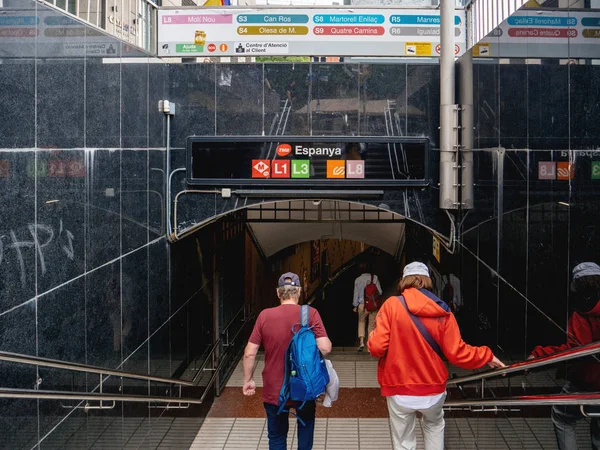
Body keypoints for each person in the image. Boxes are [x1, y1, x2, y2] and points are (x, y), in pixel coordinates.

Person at [368, 262, 505, 450]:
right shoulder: (443, 311)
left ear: (403, 281)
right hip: (433, 390)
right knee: (434, 426)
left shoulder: (391, 306)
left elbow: (376, 348)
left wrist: (370, 337)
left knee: (403, 442)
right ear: (428, 281)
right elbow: (458, 353)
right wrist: (487, 356)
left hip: (399, 388)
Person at [242, 272, 332, 450]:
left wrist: (248, 380)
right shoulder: (310, 314)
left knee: (276, 437)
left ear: (278, 293)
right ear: (299, 291)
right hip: (304, 385)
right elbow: (325, 348)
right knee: (305, 431)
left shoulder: (264, 316)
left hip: (274, 389)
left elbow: (249, 353)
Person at [528, 262, 600, 450]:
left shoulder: (581, 315)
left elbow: (575, 351)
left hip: (586, 383)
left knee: (562, 415)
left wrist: (538, 356)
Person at [353, 262, 382, 352]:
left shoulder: (357, 280)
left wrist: (355, 305)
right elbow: (380, 292)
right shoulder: (375, 278)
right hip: (373, 305)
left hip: (362, 305)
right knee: (371, 325)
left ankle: (361, 342)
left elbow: (356, 294)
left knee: (361, 322)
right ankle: (369, 345)